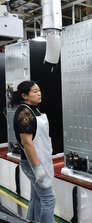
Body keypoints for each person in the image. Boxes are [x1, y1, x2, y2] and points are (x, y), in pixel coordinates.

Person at [11, 81, 56, 223]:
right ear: (24, 95)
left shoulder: (34, 110)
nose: (39, 93)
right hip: (32, 163)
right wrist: (37, 168)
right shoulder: (24, 113)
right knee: (49, 199)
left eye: (39, 90)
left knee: (37, 197)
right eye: (34, 91)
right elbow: (27, 143)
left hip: (41, 159)